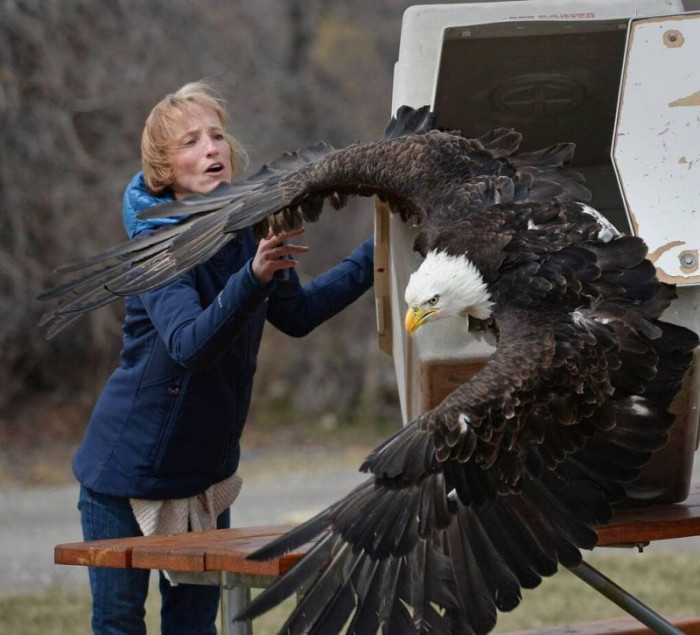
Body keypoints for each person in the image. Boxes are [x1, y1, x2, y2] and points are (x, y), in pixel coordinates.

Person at [74, 81, 374, 634]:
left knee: (194, 628)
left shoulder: (250, 227)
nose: (211, 148)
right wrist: (253, 277)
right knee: (118, 625)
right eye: (191, 141)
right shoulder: (156, 244)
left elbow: (297, 315)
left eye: (217, 135)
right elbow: (190, 345)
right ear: (164, 168)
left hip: (205, 477)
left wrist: (376, 253)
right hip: (124, 475)